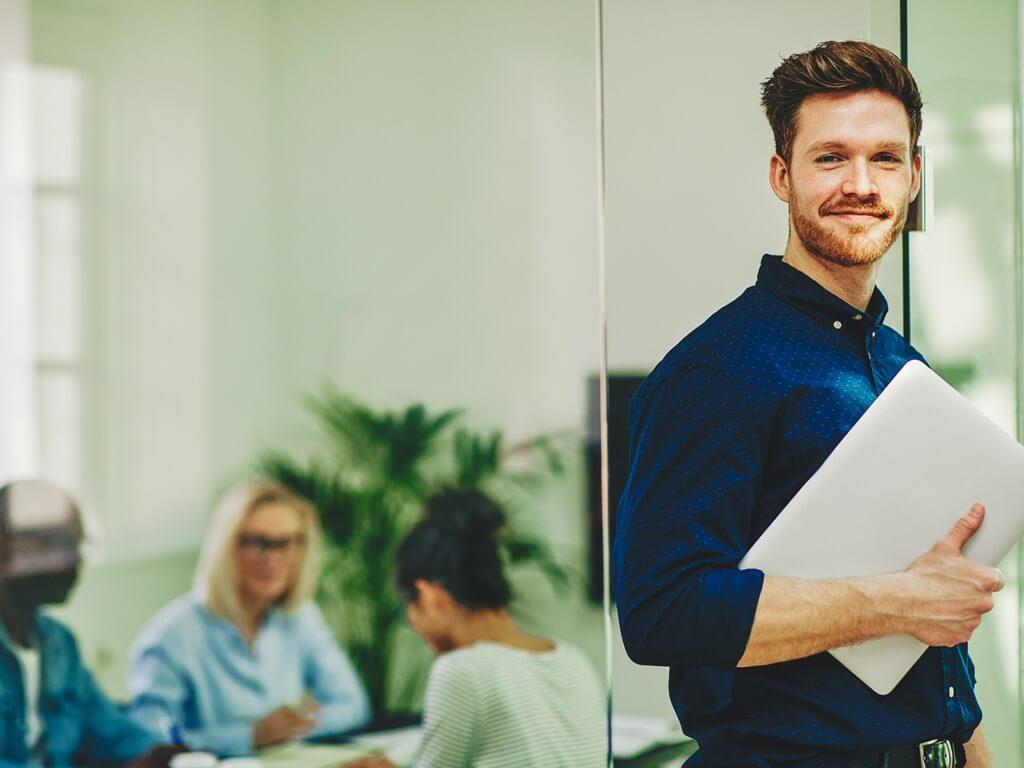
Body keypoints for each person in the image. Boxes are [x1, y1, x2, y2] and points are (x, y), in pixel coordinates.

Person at [614, 41, 1001, 768]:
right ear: (780, 175)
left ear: (915, 177)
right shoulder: (715, 369)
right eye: (831, 158)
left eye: (886, 159)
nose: (861, 183)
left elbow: (935, 629)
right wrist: (895, 602)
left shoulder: (900, 367)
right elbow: (660, 610)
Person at [350, 488, 605, 768]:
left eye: (408, 610)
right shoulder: (573, 659)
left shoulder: (462, 670)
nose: (412, 624)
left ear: (429, 597)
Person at [128, 481, 371, 757]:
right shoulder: (172, 635)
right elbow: (149, 737)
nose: (273, 558)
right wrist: (247, 737)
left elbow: (352, 705)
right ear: (225, 547)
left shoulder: (301, 618)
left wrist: (293, 727)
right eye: (258, 543)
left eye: (286, 543)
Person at [0, 479, 182, 768]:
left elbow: (109, 730)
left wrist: (167, 755)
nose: (76, 561)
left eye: (77, 544)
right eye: (59, 546)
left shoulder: (58, 643)